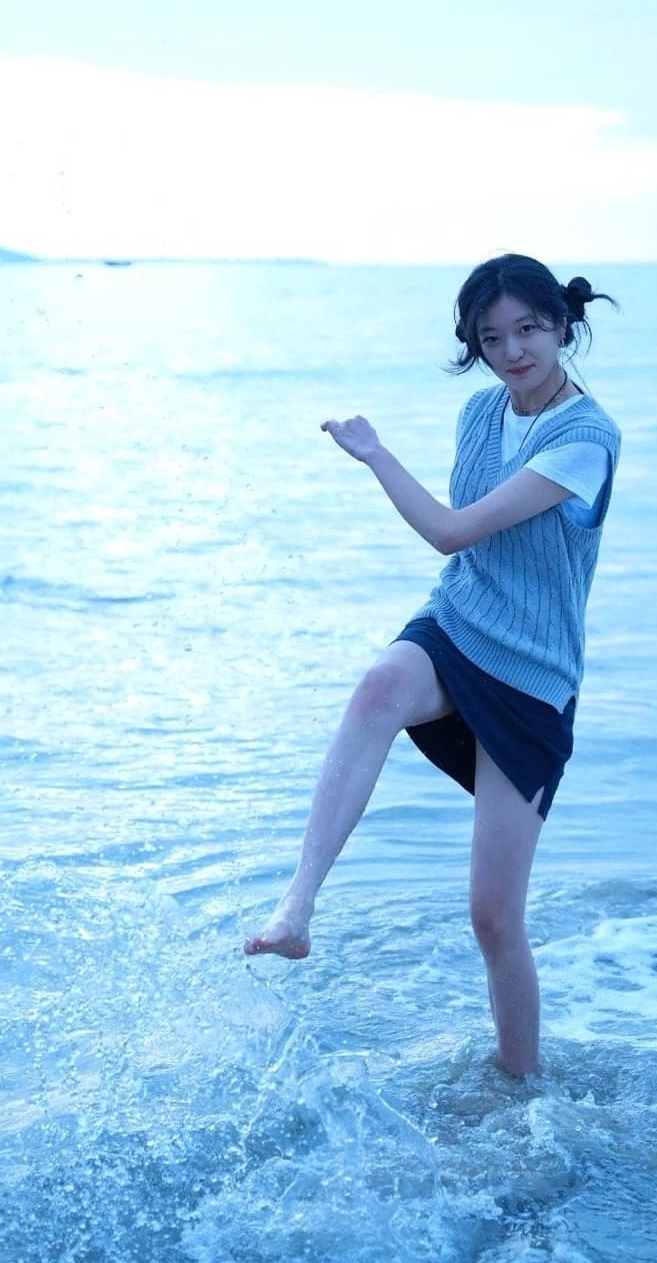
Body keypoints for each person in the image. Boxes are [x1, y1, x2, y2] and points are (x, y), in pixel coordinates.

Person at [244, 253, 621, 1076]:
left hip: (531, 678)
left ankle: (519, 1084)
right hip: (457, 623)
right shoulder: (480, 413)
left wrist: (376, 454)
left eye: (528, 329)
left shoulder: (586, 438)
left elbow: (454, 530)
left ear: (562, 326)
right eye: (492, 337)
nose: (512, 351)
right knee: (378, 687)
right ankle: (296, 906)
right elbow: (469, 563)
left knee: (494, 917)